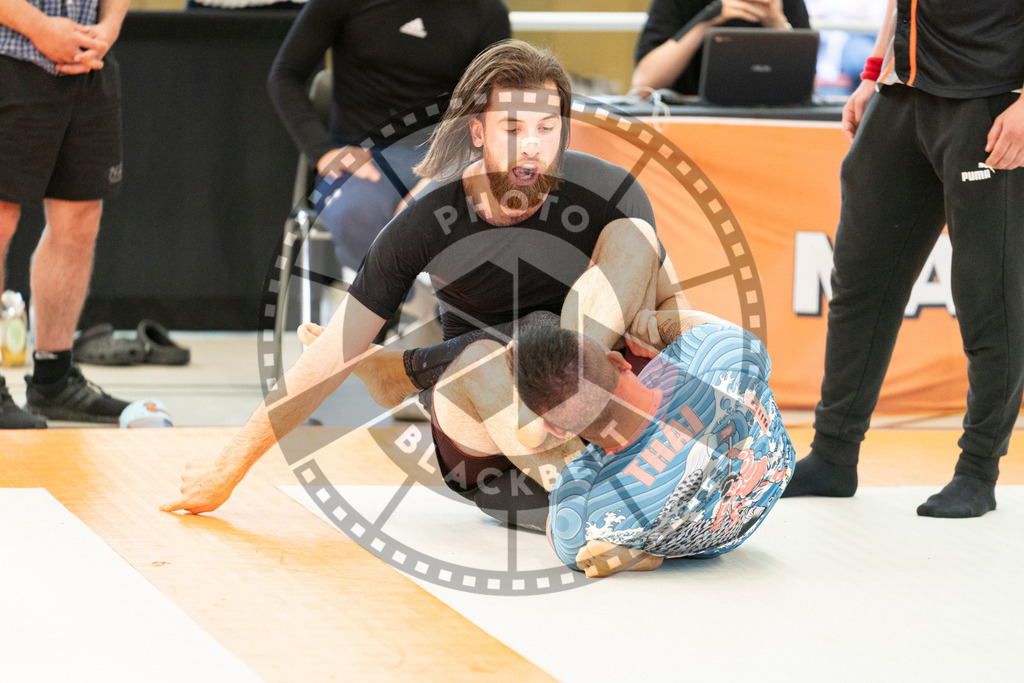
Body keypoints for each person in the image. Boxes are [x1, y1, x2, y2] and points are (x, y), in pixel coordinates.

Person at [163, 39, 688, 515]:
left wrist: (701, 399)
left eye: (546, 129)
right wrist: (225, 469)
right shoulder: (426, 221)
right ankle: (600, 505)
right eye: (513, 129)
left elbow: (677, 317)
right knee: (486, 358)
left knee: (633, 239)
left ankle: (411, 370)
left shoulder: (610, 190)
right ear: (478, 132)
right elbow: (326, 358)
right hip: (495, 439)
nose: (532, 146)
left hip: (603, 412)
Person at [782, 0, 1024, 518]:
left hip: (989, 98)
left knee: (991, 297)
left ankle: (978, 471)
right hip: (903, 93)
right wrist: (874, 74)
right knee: (858, 281)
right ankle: (832, 456)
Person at [510, 311, 793, 577]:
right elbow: (722, 332)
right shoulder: (718, 357)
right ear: (618, 361)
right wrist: (657, 322)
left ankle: (644, 549)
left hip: (706, 540)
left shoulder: (580, 500)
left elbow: (561, 538)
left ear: (556, 429)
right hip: (773, 469)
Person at [267, 0, 510, 285]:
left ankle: (437, 310)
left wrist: (445, 171)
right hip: (363, 156)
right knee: (356, 214)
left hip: (446, 156)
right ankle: (378, 308)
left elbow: (496, 102)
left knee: (480, 218)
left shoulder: (485, 10)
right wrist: (322, 153)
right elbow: (285, 75)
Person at [0, 0, 132, 428]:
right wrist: (37, 26)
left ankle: (53, 381)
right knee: (0, 221)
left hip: (88, 66)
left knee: (79, 221)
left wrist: (108, 27)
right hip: (10, 56)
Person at [632, 0, 810, 96]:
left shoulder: (782, 3)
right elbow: (644, 84)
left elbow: (810, 85)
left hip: (770, 118)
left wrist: (777, 24)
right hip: (693, 119)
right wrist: (707, 21)